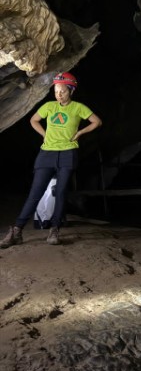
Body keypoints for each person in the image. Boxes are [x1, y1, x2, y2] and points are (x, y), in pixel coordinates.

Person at [0, 72, 102, 248]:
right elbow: (34, 120)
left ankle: (54, 230)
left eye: (62, 91)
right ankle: (17, 231)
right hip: (47, 154)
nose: (59, 94)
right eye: (56, 91)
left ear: (71, 90)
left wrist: (80, 133)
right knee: (35, 193)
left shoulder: (78, 108)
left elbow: (97, 122)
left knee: (60, 193)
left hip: (68, 153)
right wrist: (44, 134)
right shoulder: (49, 106)